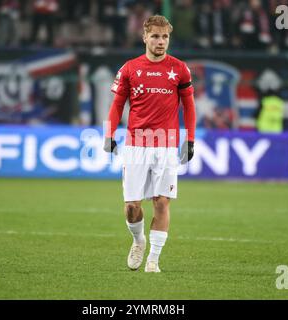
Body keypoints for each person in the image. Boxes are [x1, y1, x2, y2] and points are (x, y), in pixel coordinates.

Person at [103, 15, 196, 273]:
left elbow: (189, 106)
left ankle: (154, 260)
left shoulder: (179, 69)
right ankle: (138, 241)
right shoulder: (130, 68)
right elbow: (117, 105)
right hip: (136, 144)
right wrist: (108, 134)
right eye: (155, 36)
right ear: (144, 37)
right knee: (132, 207)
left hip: (166, 145)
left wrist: (190, 139)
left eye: (165, 37)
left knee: (161, 201)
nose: (160, 41)